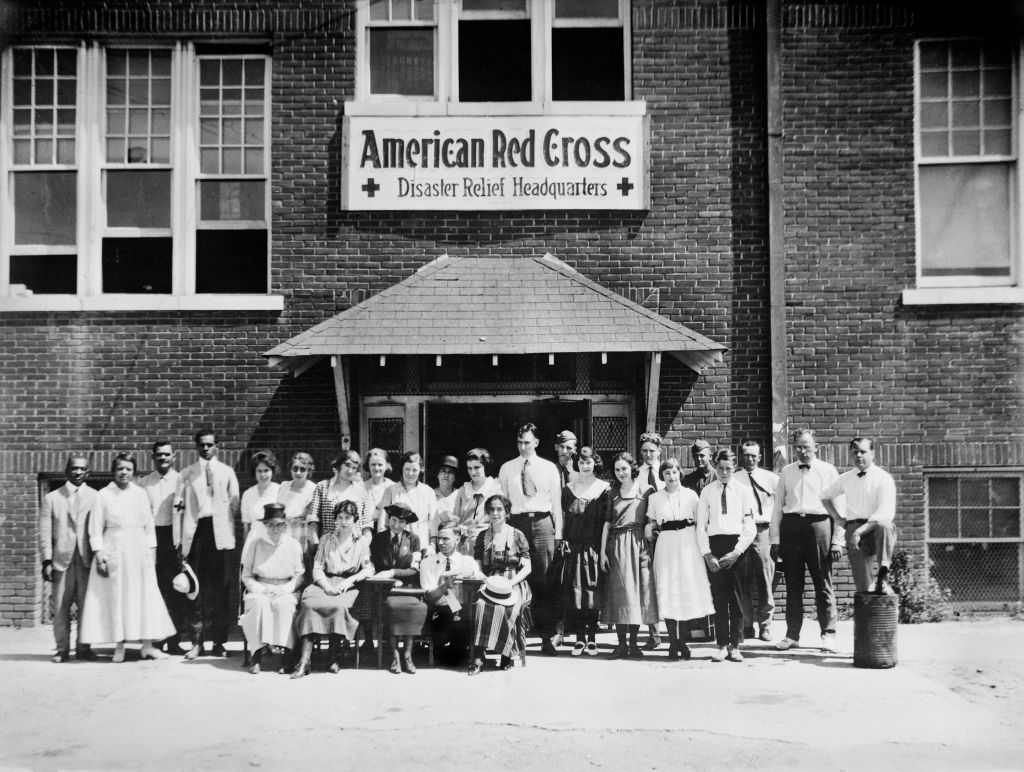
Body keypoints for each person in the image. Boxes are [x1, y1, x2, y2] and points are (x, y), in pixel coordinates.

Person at [79, 454, 175, 662]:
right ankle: (119, 645)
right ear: (114, 471)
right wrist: (99, 555)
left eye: (128, 469)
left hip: (139, 551)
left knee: (144, 597)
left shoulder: (140, 494)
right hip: (114, 548)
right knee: (117, 597)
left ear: (134, 472)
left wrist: (152, 554)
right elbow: (94, 529)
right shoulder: (103, 495)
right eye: (120, 468)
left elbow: (149, 526)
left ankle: (147, 646)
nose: (124, 472)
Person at [770, 428, 842, 652]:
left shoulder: (829, 471)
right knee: (793, 585)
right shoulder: (787, 472)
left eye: (807, 447)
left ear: (816, 447)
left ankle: (828, 634)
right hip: (791, 528)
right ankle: (792, 635)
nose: (802, 451)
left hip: (819, 527)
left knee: (822, 582)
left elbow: (840, 509)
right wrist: (775, 539)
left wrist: (838, 540)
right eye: (798, 447)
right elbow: (777, 509)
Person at [497, 422, 563, 656]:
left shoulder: (548, 468)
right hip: (517, 524)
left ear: (536, 442)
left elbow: (556, 504)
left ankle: (547, 638)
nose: (523, 446)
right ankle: (512, 640)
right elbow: (503, 503)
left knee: (544, 581)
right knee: (514, 579)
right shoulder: (507, 468)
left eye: (527, 442)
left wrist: (559, 535)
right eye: (519, 442)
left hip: (543, 524)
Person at [174, 429, 240, 660]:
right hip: (197, 534)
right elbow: (179, 510)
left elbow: (235, 506)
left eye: (210, 444)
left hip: (221, 535)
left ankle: (219, 642)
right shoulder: (187, 474)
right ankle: (197, 642)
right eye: (202, 445)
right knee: (196, 591)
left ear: (217, 447)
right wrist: (180, 543)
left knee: (220, 590)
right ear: (197, 447)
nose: (206, 448)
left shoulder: (227, 472)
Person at [291, 500, 374, 678]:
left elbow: (368, 569)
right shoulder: (326, 539)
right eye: (340, 518)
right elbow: (317, 568)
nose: (344, 522)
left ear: (355, 519)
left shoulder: (361, 542)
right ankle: (304, 661)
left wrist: (349, 581)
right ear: (335, 519)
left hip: (347, 584)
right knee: (310, 605)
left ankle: (333, 657)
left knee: (339, 607)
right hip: (325, 582)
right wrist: (327, 587)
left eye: (348, 518)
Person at [646, 457, 714, 661]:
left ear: (680, 474)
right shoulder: (655, 498)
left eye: (674, 472)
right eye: (667, 473)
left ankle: (682, 640)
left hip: (687, 544)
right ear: (662, 476)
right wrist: (649, 527)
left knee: (685, 592)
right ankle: (673, 643)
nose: (671, 476)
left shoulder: (691, 495)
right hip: (666, 544)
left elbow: (701, 522)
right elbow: (651, 521)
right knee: (668, 590)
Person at [697, 449, 757, 663]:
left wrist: (736, 552)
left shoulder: (743, 491)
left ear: (735, 467)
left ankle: (736, 645)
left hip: (737, 548)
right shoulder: (707, 492)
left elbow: (750, 527)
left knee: (738, 599)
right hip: (715, 546)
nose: (724, 472)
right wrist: (707, 554)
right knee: (719, 598)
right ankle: (722, 645)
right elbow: (701, 527)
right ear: (715, 465)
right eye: (720, 468)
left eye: (728, 468)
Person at [40, 454, 98, 663]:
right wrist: (46, 560)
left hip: (86, 560)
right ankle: (62, 649)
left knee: (86, 605)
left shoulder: (95, 497)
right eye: (74, 468)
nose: (78, 472)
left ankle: (84, 648)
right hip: (61, 560)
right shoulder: (52, 498)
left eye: (82, 469)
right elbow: (45, 531)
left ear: (88, 472)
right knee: (61, 607)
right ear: (67, 471)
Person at [822, 437, 898, 595]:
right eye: (855, 452)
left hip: (875, 529)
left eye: (863, 452)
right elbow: (825, 496)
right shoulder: (846, 478)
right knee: (864, 588)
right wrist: (837, 517)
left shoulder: (883, 478)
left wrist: (859, 532)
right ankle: (868, 601)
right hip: (853, 527)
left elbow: (886, 512)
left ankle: (883, 576)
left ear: (872, 454)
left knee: (885, 525)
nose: (859, 455)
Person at [600, 451, 658, 659]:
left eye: (624, 468)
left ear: (632, 469)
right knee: (619, 594)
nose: (620, 473)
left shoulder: (647, 490)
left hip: (639, 544)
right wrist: (602, 553)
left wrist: (649, 532)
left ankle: (634, 644)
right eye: (616, 469)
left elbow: (653, 518)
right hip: (616, 546)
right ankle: (621, 644)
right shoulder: (612, 492)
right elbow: (606, 524)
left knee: (636, 594)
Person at [469, 494, 532, 675]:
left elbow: (527, 567)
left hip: (514, 580)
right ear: (487, 513)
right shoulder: (483, 536)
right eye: (491, 510)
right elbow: (478, 565)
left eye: (499, 510)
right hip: (490, 580)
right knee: (481, 605)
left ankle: (506, 654)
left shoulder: (517, 535)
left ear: (506, 512)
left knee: (509, 606)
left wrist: (511, 583)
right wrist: (484, 579)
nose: (495, 513)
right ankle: (480, 657)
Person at [554, 446, 608, 656]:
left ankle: (592, 639)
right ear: (576, 464)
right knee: (574, 595)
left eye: (589, 462)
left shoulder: (603, 488)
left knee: (592, 594)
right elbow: (562, 518)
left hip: (593, 548)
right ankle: (579, 639)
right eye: (581, 462)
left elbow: (606, 521)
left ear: (595, 463)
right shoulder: (568, 489)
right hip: (574, 547)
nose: (585, 466)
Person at [239, 503, 304, 675]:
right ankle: (256, 656)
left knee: (285, 605)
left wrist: (285, 589)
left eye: (278, 525)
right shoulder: (255, 544)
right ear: (265, 525)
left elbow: (299, 575)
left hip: (285, 588)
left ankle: (287, 657)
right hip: (261, 587)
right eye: (270, 525)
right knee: (259, 604)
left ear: (285, 525)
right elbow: (246, 575)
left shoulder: (293, 545)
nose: (275, 529)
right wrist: (260, 589)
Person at [138, 441, 186, 654]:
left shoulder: (181, 480)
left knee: (176, 590)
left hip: (174, 538)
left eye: (167, 454)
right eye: (159, 455)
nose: (163, 458)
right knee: (154, 590)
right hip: (151, 539)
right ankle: (156, 640)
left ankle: (175, 640)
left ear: (173, 456)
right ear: (153, 457)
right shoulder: (143, 483)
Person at [371, 504, 427, 674]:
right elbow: (376, 567)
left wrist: (394, 572)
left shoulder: (414, 540)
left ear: (406, 523)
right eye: (393, 520)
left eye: (401, 522)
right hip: (386, 589)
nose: (396, 525)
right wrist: (388, 577)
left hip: (408, 588)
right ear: (388, 519)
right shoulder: (378, 539)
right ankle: (395, 655)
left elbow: (414, 569)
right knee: (392, 607)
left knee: (415, 607)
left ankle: (408, 655)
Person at [735, 440, 779, 642]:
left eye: (753, 455)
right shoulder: (734, 479)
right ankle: (746, 624)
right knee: (741, 581)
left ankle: (765, 625)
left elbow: (781, 507)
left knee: (765, 580)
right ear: (741, 456)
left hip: (763, 531)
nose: (750, 459)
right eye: (746, 455)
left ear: (760, 457)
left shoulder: (770, 478)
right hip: (741, 532)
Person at [419, 524, 483, 664]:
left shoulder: (467, 560)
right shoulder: (427, 563)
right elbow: (430, 596)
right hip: (438, 613)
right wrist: (445, 586)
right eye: (439, 539)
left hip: (462, 612)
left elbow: (478, 574)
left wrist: (453, 573)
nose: (440, 543)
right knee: (443, 656)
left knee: (467, 626)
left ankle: (458, 652)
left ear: (457, 539)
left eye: (446, 539)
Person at [440, 448, 503, 556]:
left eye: (477, 467)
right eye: (469, 468)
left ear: (485, 466)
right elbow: (456, 519)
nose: (473, 472)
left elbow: (501, 519)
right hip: (465, 544)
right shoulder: (463, 490)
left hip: (488, 543)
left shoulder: (495, 488)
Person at [636, 432, 666, 650]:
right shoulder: (635, 474)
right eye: (645, 450)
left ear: (659, 451)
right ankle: (652, 634)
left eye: (652, 451)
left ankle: (676, 634)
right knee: (646, 582)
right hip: (642, 534)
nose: (648, 454)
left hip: (665, 532)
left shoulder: (667, 473)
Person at [376, 451, 437, 551]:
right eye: (407, 469)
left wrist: (432, 546)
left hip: (423, 546)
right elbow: (382, 523)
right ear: (402, 469)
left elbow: (433, 523)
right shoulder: (391, 490)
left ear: (420, 470)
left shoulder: (428, 492)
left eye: (414, 470)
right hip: (396, 547)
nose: (410, 473)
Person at [307, 450, 370, 540]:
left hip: (354, 545)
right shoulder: (323, 487)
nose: (350, 471)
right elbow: (314, 519)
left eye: (354, 468)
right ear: (339, 464)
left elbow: (366, 526)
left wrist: (363, 547)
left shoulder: (361, 492)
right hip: (328, 544)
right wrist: (316, 544)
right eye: (347, 465)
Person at [277, 452, 317, 550]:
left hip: (303, 536)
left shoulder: (314, 489)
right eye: (295, 469)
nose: (298, 473)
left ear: (308, 471)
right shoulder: (283, 486)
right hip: (284, 534)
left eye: (302, 469)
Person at [239, 450, 280, 545]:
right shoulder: (248, 494)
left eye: (266, 470)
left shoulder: (280, 491)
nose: (263, 475)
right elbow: (246, 527)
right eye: (259, 471)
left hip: (275, 543)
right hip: (254, 542)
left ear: (272, 471)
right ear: (255, 472)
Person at [362, 448, 393, 517]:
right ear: (368, 465)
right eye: (373, 464)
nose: (376, 468)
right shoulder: (362, 487)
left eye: (380, 464)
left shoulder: (393, 487)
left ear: (387, 465)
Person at [433, 455, 460, 529]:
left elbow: (467, 522)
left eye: (450, 472)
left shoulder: (460, 495)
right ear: (437, 474)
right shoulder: (430, 495)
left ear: (455, 477)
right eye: (443, 471)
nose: (446, 475)